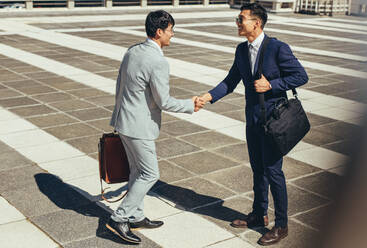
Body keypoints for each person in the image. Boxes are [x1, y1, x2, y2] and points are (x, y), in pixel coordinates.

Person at [199, 3, 308, 246]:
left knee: (273, 170)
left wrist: (272, 85)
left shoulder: (277, 48)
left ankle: (281, 225)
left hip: (274, 119)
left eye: (241, 19)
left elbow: (301, 76)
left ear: (256, 23)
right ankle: (259, 214)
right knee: (257, 167)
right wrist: (207, 97)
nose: (237, 23)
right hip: (253, 118)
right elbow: (230, 81)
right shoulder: (241, 50)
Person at [107, 10, 204, 244]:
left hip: (124, 121)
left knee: (136, 172)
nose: (172, 35)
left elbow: (120, 85)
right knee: (150, 173)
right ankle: (120, 217)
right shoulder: (158, 60)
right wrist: (190, 105)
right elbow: (165, 101)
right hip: (139, 127)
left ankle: (136, 215)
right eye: (171, 30)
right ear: (159, 32)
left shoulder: (132, 51)